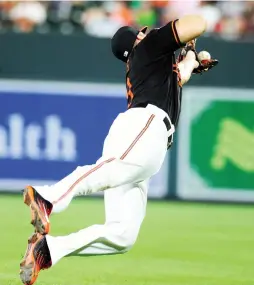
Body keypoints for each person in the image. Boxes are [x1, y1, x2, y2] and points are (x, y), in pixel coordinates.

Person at [20, 14, 218, 285]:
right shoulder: (149, 46)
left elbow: (180, 75)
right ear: (137, 39)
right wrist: (183, 38)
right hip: (146, 126)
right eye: (141, 31)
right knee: (111, 170)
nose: (145, 32)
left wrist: (193, 58)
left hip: (143, 132)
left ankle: (48, 250)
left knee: (123, 235)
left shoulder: (153, 60)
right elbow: (198, 23)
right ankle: (47, 197)